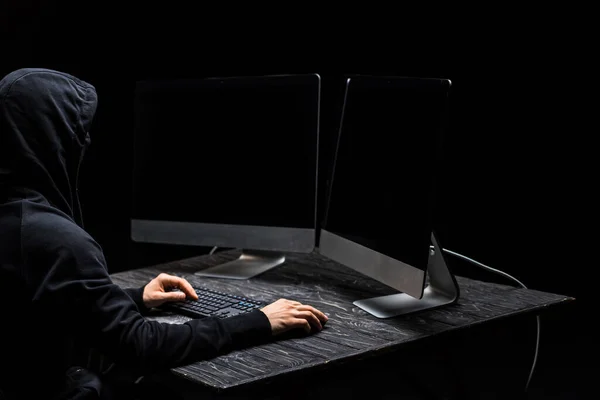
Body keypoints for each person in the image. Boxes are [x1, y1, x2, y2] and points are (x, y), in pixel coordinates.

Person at [0, 68, 328, 400]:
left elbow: (49, 304)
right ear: (49, 136)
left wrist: (136, 297)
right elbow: (142, 345)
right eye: (78, 132)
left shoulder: (15, 218)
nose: (86, 142)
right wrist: (260, 320)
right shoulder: (54, 239)